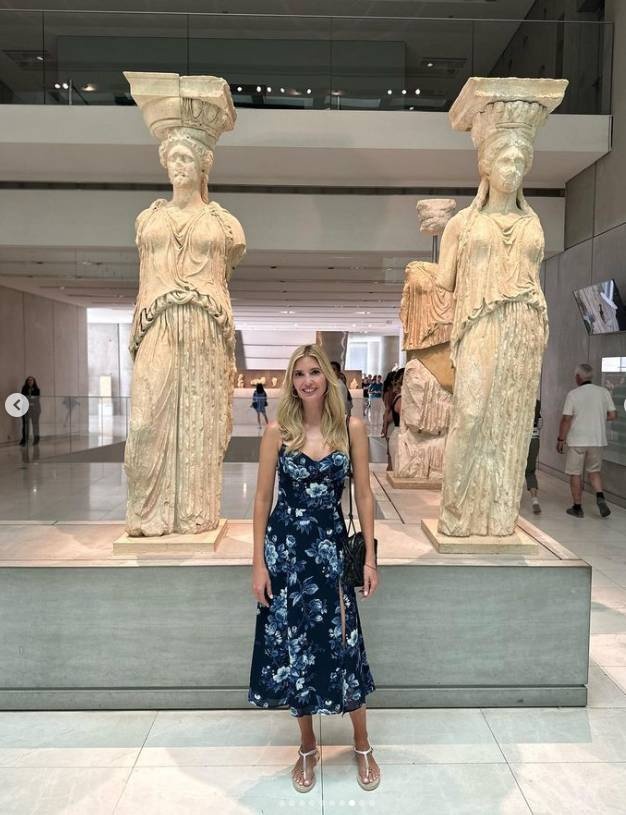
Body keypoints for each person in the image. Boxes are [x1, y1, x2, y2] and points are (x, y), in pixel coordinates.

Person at [249, 343, 380, 793]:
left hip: (331, 553)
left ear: (328, 378)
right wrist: (258, 563)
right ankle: (307, 746)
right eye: (299, 373)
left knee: (345, 643)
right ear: (292, 381)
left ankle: (362, 742)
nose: (307, 381)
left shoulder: (351, 429)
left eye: (314, 372)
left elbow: (364, 495)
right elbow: (261, 500)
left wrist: (370, 558)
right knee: (296, 648)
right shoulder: (277, 433)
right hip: (286, 553)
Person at [557, 363, 617, 518]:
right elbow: (613, 415)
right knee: (594, 472)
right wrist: (597, 418)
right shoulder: (603, 392)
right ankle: (600, 497)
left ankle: (577, 508)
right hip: (597, 440)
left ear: (578, 377)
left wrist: (561, 439)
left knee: (575, 473)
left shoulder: (573, 394)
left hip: (577, 441)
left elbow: (566, 419)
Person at [525, 400, 542, 514]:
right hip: (534, 439)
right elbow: (540, 424)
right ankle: (534, 500)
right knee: (530, 472)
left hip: (519, 439)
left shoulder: (515, 400)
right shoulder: (537, 404)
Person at [20, 376, 41, 446]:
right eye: (28, 380)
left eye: (31, 380)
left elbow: (36, 399)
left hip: (35, 410)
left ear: (33, 382)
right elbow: (23, 398)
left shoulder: (37, 389)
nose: (30, 381)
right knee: (25, 425)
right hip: (25, 409)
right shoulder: (24, 389)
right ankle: (24, 439)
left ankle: (36, 439)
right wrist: (30, 399)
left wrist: (29, 400)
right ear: (27, 381)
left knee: (35, 424)